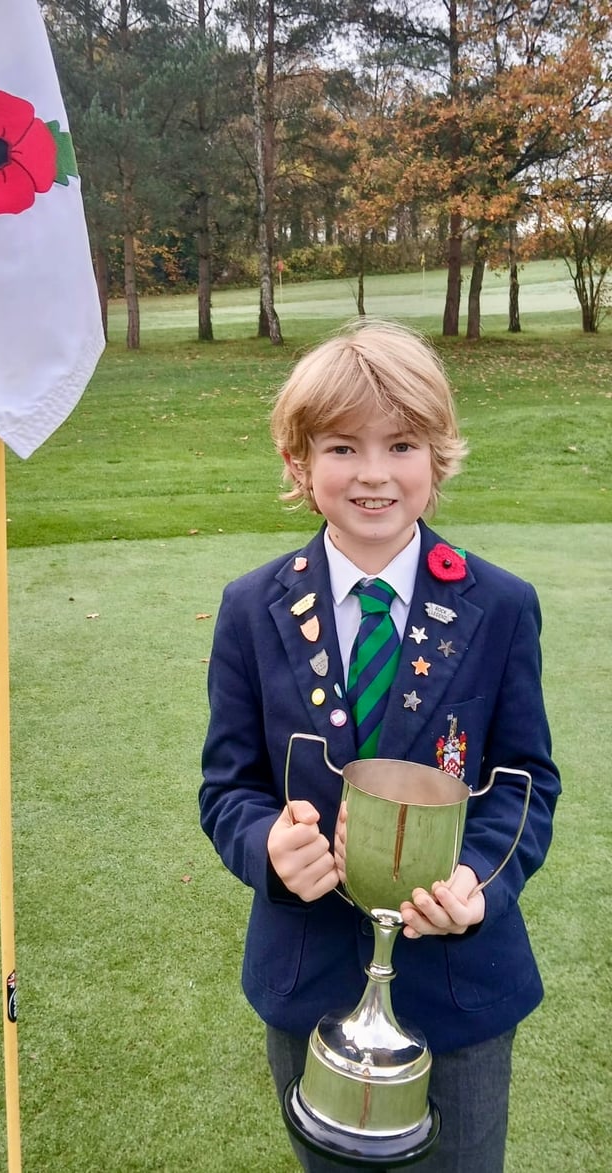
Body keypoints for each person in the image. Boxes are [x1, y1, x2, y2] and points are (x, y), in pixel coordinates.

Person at [199, 319, 560, 1172]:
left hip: (459, 986)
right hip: (309, 980)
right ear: (298, 463)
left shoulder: (499, 606)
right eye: (341, 447)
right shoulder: (251, 609)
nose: (372, 473)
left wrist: (479, 880)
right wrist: (268, 846)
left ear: (438, 456)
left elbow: (524, 782)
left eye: (400, 444)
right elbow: (228, 787)